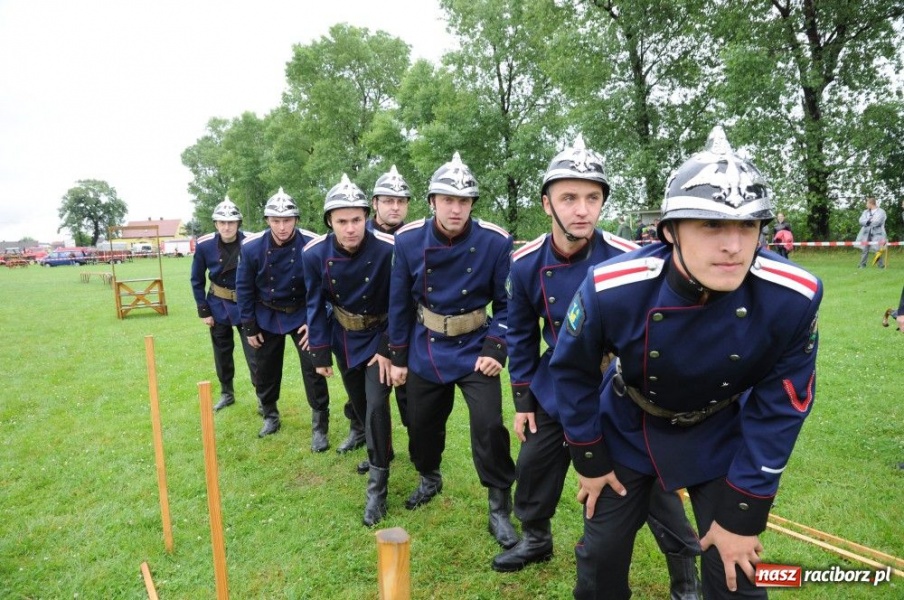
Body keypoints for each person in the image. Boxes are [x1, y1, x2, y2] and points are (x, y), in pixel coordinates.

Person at [549, 126, 823, 599]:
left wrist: (743, 515)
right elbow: (571, 372)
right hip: (627, 426)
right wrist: (590, 460)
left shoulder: (792, 297)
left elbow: (781, 407)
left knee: (737, 574)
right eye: (712, 225)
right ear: (671, 231)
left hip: (719, 434)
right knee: (601, 556)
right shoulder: (612, 287)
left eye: (746, 227)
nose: (734, 246)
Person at [494, 134, 703, 598]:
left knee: (648, 484)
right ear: (547, 203)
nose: (581, 209)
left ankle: (684, 571)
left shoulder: (629, 256)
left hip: (623, 386)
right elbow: (522, 334)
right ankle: (536, 537)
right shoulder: (525, 264)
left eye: (592, 197)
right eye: (569, 197)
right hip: (560, 380)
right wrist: (524, 399)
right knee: (533, 463)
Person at [388, 152, 519, 549]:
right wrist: (397, 358)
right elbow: (398, 302)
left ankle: (499, 505)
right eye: (447, 199)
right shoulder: (408, 240)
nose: (456, 208)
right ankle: (429, 476)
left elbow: (509, 305)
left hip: (477, 347)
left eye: (463, 201)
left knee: (489, 427)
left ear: (472, 205)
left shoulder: (495, 242)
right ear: (432, 202)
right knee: (421, 425)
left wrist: (497, 348)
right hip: (426, 347)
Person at [303, 174, 397, 526]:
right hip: (343, 337)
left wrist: (388, 346)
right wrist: (320, 352)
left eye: (357, 219)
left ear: (366, 216)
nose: (351, 228)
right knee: (359, 405)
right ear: (329, 222)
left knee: (375, 406)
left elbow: (401, 301)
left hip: (380, 338)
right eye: (342, 221)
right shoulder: (314, 255)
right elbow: (314, 304)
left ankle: (377, 488)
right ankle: (382, 451)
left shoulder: (388, 248)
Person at [236, 187, 331, 444]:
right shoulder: (251, 247)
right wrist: (249, 326)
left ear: (296, 220)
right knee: (265, 368)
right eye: (276, 221)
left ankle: (320, 424)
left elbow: (325, 288)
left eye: (287, 220)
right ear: (267, 220)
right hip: (266, 314)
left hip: (303, 314)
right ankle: (270, 414)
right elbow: (243, 288)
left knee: (314, 368)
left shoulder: (312, 243)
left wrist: (315, 324)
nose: (281, 227)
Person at [338, 165, 412, 476]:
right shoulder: (355, 233)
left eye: (401, 200)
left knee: (412, 402)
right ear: (375, 203)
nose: (395, 206)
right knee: (368, 399)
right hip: (360, 331)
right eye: (388, 200)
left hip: (408, 332)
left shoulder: (416, 236)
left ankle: (422, 454)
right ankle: (373, 444)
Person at [190, 198, 260, 412]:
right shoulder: (205, 245)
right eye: (222, 222)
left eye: (231, 222)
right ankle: (226, 393)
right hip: (218, 305)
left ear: (238, 223)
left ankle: (262, 397)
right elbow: (196, 279)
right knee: (222, 353)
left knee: (255, 354)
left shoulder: (251, 242)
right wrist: (204, 310)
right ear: (216, 224)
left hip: (247, 306)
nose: (226, 227)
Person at [856, 197, 887, 268]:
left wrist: (868, 222)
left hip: (877, 232)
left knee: (877, 249)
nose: (866, 205)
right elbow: (861, 220)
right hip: (866, 232)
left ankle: (880, 265)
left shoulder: (881, 212)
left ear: (871, 203)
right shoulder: (865, 212)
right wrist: (868, 221)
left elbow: (878, 222)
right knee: (864, 249)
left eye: (867, 203)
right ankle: (862, 265)